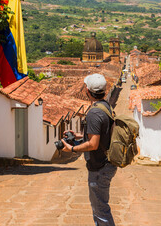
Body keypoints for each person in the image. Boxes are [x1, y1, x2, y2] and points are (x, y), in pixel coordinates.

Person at [61, 73, 117, 226]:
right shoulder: (105, 107)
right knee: (99, 209)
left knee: (101, 211)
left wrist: (72, 148)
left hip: (99, 167)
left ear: (87, 91)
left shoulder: (94, 112)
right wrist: (78, 134)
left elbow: (93, 144)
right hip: (107, 164)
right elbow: (100, 133)